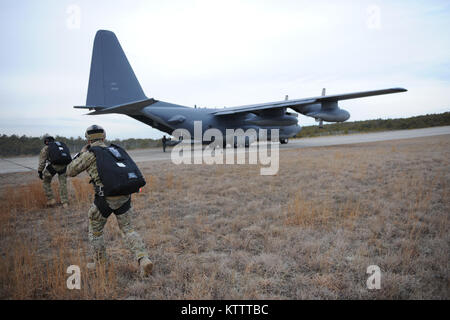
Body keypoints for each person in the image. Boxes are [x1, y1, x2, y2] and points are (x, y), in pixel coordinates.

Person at [66, 125, 153, 276]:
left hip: (104, 199)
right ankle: (143, 258)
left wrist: (81, 153)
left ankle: (101, 264)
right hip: (124, 197)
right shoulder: (115, 150)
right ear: (104, 137)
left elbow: (70, 171)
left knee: (96, 230)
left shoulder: (90, 154)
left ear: (87, 139)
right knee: (128, 230)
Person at [38, 135, 69, 208]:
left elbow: (42, 161)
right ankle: (65, 203)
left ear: (46, 142)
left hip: (53, 167)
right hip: (64, 167)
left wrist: (40, 171)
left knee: (46, 182)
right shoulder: (60, 147)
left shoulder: (46, 148)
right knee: (63, 184)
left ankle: (51, 199)